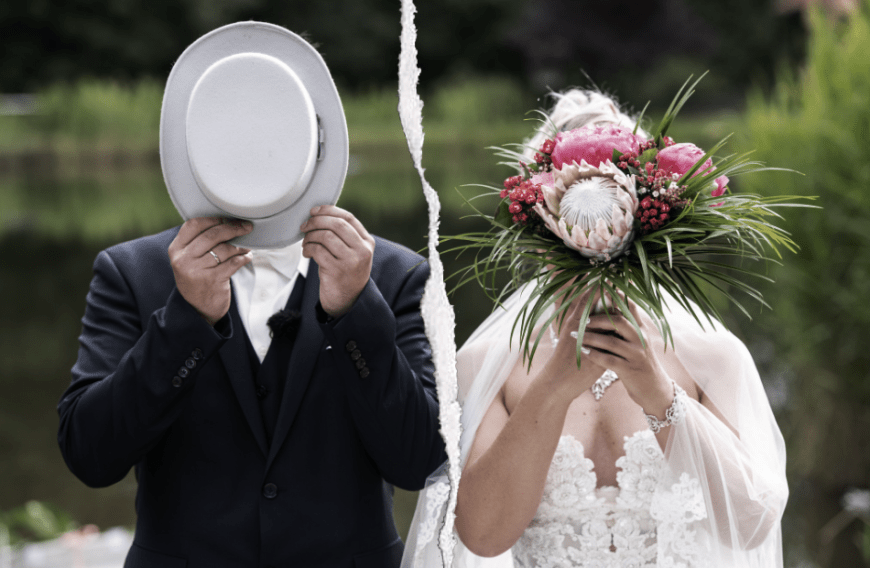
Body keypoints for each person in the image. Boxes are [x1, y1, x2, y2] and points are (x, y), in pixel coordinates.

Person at [57, 22, 445, 568]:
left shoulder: (393, 275)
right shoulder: (132, 272)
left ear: (317, 139)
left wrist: (356, 312)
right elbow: (90, 457)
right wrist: (185, 321)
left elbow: (420, 462)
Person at [403, 91, 788, 568]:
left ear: (645, 229)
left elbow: (749, 528)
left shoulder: (710, 355)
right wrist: (552, 388)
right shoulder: (486, 364)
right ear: (539, 233)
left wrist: (660, 396)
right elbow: (482, 538)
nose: (593, 258)